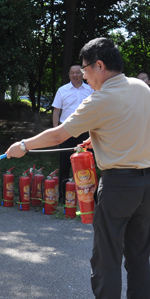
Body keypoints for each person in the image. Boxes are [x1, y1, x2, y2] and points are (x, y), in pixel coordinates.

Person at [6, 37, 150, 299]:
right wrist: (98, 139)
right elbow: (134, 125)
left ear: (99, 66)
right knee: (139, 258)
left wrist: (23, 145)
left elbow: (60, 133)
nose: (85, 78)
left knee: (107, 259)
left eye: (86, 71)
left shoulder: (99, 100)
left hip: (119, 186)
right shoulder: (142, 88)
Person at [52, 64, 93, 198]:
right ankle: (63, 198)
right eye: (72, 73)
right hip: (66, 131)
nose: (75, 75)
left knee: (86, 164)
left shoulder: (90, 89)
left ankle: (87, 198)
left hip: (85, 132)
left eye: (77, 72)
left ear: (82, 74)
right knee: (64, 164)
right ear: (69, 74)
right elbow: (56, 111)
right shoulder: (62, 90)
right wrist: (55, 131)